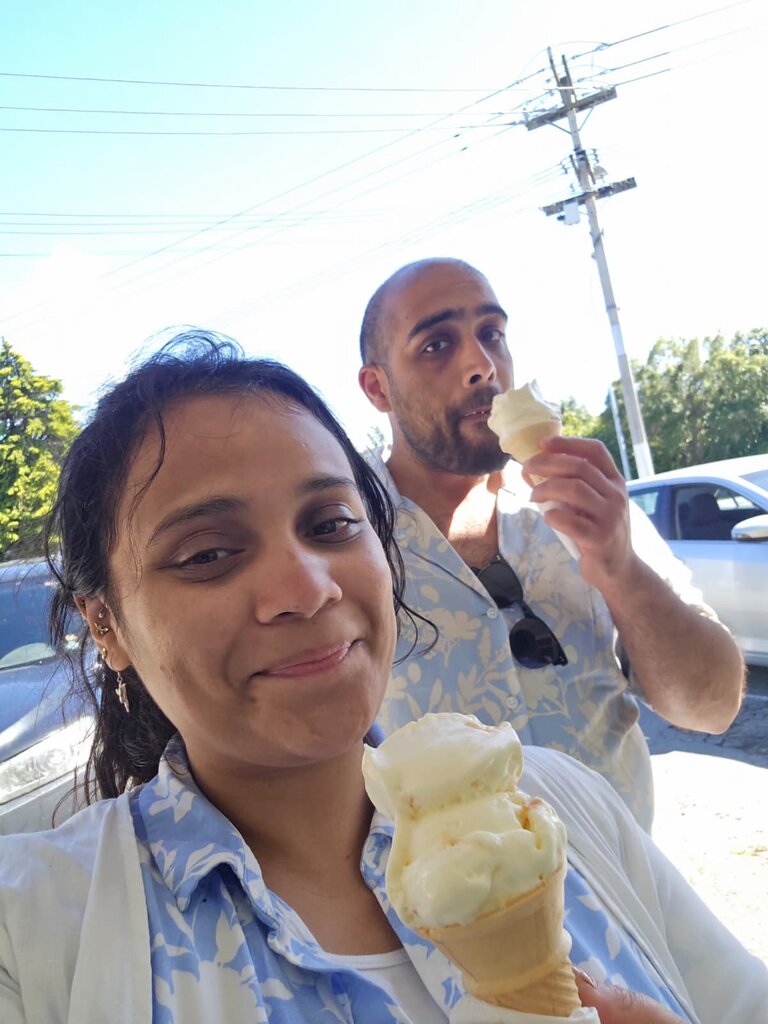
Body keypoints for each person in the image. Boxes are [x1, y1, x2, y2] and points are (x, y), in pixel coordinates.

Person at [0, 333, 764, 1024]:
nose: (308, 589)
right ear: (105, 623)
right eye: (207, 554)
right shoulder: (32, 930)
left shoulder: (564, 805)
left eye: (330, 524)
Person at [357, 258, 744, 830]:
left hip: (624, 879)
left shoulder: (588, 502)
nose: (481, 365)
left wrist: (621, 570)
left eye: (492, 333)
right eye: (436, 345)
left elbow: (711, 707)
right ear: (378, 388)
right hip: (448, 886)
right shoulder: (343, 538)